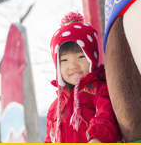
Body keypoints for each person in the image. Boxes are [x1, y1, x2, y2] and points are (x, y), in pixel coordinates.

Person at [44, 12, 122, 143]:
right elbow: (49, 139)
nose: (73, 65)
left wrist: (97, 139)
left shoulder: (103, 88)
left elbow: (106, 116)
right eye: (65, 60)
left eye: (81, 57)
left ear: (92, 57)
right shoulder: (54, 108)